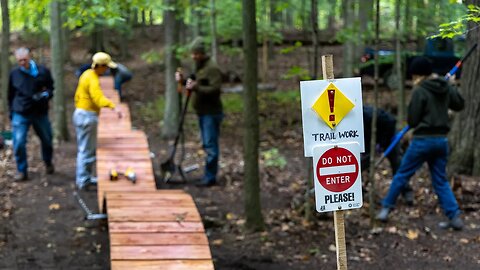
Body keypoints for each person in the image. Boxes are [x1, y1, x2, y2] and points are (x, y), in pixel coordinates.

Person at [376, 57, 465, 230]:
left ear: (418, 75)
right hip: (441, 141)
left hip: (422, 141)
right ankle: (454, 217)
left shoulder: (420, 91)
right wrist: (452, 86)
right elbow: (459, 104)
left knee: (402, 174)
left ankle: (385, 209)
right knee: (440, 180)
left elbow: (413, 120)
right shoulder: (445, 86)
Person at [175, 37, 223, 187]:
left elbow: (215, 90)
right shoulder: (199, 66)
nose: (193, 56)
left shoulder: (212, 68)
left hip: (211, 112)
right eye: (192, 54)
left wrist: (196, 88)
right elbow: (194, 81)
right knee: (206, 143)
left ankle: (210, 177)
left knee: (210, 145)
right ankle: (208, 174)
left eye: (196, 54)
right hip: (202, 111)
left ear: (202, 53)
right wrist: (183, 81)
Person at [73, 52, 122, 190]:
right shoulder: (93, 79)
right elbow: (98, 98)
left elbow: (77, 96)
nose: (107, 70)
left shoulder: (86, 74)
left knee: (84, 148)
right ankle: (83, 180)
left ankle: (84, 177)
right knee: (87, 150)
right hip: (87, 117)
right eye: (106, 67)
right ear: (100, 66)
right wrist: (113, 106)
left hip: (80, 113)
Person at [8, 47, 55, 181]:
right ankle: (22, 171)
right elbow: (10, 94)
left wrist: (45, 95)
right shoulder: (14, 74)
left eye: (25, 60)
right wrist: (11, 112)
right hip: (21, 112)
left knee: (47, 139)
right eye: (20, 60)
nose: (22, 63)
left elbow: (51, 88)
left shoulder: (42, 71)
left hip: (40, 112)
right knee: (19, 142)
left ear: (30, 57)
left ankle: (48, 162)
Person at [362, 106, 414, 205]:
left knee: (397, 163)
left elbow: (391, 121)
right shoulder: (352, 125)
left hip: (390, 138)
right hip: (370, 142)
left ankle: (407, 192)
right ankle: (359, 192)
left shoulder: (370, 115)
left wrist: (382, 143)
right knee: (360, 164)